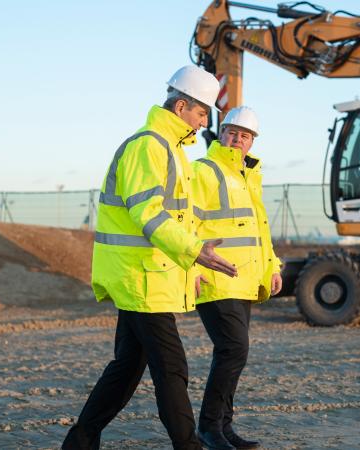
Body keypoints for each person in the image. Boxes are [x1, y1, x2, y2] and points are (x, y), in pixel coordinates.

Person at [62, 65, 238, 450]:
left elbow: (178, 219)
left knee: (127, 367)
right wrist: (195, 252)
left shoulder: (171, 150)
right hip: (140, 278)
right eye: (202, 112)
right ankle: (187, 445)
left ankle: (81, 439)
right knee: (171, 368)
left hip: (151, 276)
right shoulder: (148, 146)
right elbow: (148, 214)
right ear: (180, 108)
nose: (204, 121)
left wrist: (190, 265)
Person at [191, 106, 283, 450]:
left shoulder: (248, 176)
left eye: (245, 136)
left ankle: (224, 428)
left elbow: (260, 231)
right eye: (232, 132)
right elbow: (188, 223)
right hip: (216, 277)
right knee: (233, 349)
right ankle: (208, 428)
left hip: (244, 280)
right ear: (221, 132)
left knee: (234, 352)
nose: (238, 139)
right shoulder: (203, 170)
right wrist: (194, 266)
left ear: (252, 142)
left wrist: (272, 266)